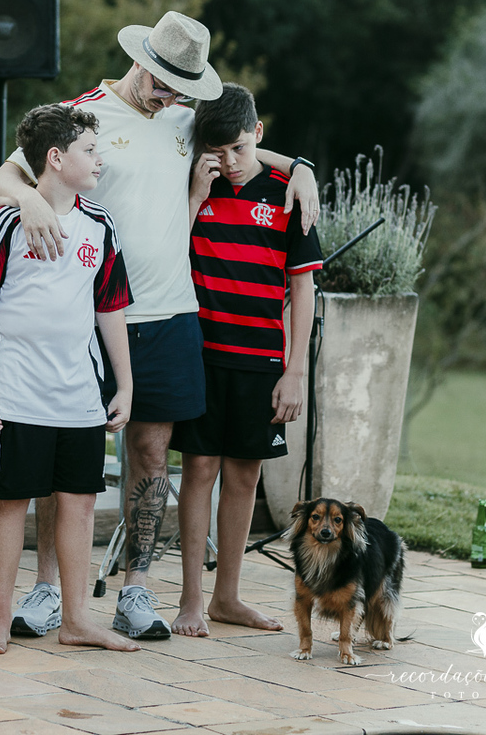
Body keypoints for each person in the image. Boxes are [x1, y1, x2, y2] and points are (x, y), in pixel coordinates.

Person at [0, 11, 321, 639]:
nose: (171, 98)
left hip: (169, 314)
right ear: (143, 63)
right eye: (164, 84)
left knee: (150, 453)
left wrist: (296, 165)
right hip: (89, 317)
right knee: (69, 457)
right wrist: (29, 197)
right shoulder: (82, 116)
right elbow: (2, 176)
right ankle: (48, 589)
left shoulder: (185, 115)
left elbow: (240, 143)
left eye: (182, 90)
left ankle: (136, 590)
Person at [0, 104, 139, 655]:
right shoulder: (5, 224)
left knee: (80, 503)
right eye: (90, 150)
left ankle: (78, 618)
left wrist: (125, 384)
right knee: (11, 503)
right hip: (15, 395)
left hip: (80, 397)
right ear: (56, 158)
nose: (100, 160)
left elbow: (110, 308)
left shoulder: (101, 224)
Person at [170, 83, 322, 637]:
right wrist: (194, 190)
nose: (231, 163)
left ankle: (226, 597)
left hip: (260, 361)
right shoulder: (195, 187)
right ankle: (190, 599)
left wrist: (295, 370)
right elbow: (167, 249)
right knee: (199, 469)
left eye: (239, 148)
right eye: (219, 152)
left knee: (243, 475)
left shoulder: (287, 193)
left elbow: (301, 289)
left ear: (259, 134)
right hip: (200, 354)